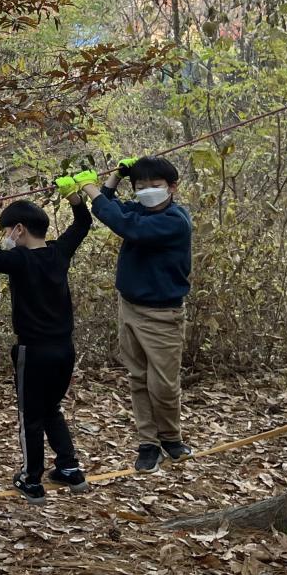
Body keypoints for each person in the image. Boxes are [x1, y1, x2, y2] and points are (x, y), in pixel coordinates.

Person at [0, 192, 92, 500]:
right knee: (50, 408)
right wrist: (75, 199)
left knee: (31, 416)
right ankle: (69, 468)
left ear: (19, 229)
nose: (8, 237)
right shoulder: (58, 252)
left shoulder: (20, 259)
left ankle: (31, 479)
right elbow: (82, 224)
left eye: (8, 231)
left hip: (33, 352)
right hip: (64, 350)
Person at [83, 156, 195, 472]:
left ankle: (171, 438)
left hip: (162, 314)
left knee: (164, 385)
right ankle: (149, 443)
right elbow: (107, 208)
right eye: (141, 186)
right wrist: (116, 177)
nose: (147, 192)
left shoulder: (174, 220)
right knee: (138, 378)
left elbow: (126, 226)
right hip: (129, 306)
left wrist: (88, 186)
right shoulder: (140, 210)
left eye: (155, 185)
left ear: (172, 187)